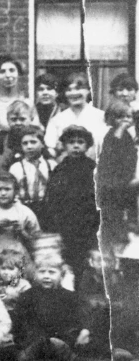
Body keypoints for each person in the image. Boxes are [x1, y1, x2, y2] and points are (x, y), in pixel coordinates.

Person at [41, 125, 100, 270]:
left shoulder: (93, 168)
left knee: (88, 262)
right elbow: (52, 198)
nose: (76, 146)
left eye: (80, 142)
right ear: (64, 145)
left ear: (87, 146)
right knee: (68, 262)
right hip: (65, 223)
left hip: (88, 221)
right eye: (71, 142)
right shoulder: (60, 169)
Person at [13, 261, 89, 361]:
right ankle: (28, 353)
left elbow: (80, 316)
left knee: (60, 342)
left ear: (61, 275)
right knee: (35, 341)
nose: (46, 276)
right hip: (35, 339)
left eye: (52, 272)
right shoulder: (28, 295)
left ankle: (67, 354)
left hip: (60, 338)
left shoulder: (69, 296)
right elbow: (19, 319)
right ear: (35, 274)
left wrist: (84, 330)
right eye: (42, 272)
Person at [97, 101, 137, 250]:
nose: (126, 121)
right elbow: (111, 158)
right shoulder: (112, 136)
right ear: (112, 118)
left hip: (125, 180)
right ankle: (113, 242)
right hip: (112, 183)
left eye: (128, 117)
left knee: (124, 211)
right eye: (121, 117)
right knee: (113, 214)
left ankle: (123, 237)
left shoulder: (127, 136)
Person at [44, 72, 106, 159]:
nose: (73, 93)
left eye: (78, 88)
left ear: (88, 90)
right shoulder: (57, 120)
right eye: (69, 90)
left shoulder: (101, 117)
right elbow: (50, 147)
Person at [8, 124, 54, 221]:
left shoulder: (51, 165)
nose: (29, 146)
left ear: (42, 144)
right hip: (23, 209)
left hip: (47, 210)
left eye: (33, 142)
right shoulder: (16, 168)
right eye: (25, 143)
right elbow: (13, 193)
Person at [0, 173, 41, 240]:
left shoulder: (25, 212)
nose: (3, 193)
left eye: (7, 189)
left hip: (19, 249)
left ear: (15, 191)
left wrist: (22, 232)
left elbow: (36, 239)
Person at [0, 55, 36, 128]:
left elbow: (35, 130)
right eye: (2, 71)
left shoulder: (27, 103)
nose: (8, 75)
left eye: (12, 70)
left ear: (18, 73)